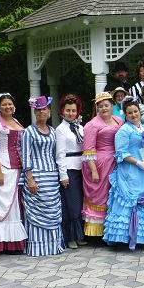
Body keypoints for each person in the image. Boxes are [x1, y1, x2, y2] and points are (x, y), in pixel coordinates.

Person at [21, 96, 68, 256]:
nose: (42, 112)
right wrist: (30, 179)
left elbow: (56, 154)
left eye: (45, 109)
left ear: (49, 112)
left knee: (53, 209)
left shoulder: (53, 131)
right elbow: (25, 156)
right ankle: (37, 247)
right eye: (39, 110)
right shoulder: (28, 132)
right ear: (35, 112)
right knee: (37, 210)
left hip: (51, 175)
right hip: (36, 175)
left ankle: (53, 245)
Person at [104, 97, 144, 249]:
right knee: (129, 200)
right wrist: (137, 162)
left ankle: (141, 237)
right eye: (130, 113)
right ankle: (124, 237)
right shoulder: (124, 130)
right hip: (130, 170)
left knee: (142, 200)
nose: (133, 115)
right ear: (125, 114)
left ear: (140, 112)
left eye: (135, 111)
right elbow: (121, 153)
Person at [0, 93, 28, 254]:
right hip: (1, 168)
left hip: (16, 169)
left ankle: (12, 242)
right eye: (4, 104)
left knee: (14, 206)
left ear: (14, 106)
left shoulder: (16, 122)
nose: (8, 107)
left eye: (10, 104)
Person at [81, 92, 124, 237]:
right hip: (100, 165)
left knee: (113, 194)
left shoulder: (119, 121)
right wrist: (94, 171)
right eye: (100, 106)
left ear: (112, 106)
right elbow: (88, 149)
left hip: (116, 162)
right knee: (101, 196)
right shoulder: (92, 125)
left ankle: (113, 228)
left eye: (106, 105)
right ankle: (97, 232)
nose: (104, 108)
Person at [56, 94, 87, 249]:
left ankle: (79, 235)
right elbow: (60, 153)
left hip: (82, 167)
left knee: (79, 202)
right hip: (69, 169)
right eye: (68, 110)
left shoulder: (80, 127)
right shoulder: (60, 129)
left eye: (73, 110)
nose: (71, 113)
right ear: (62, 111)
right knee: (71, 203)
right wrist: (63, 175)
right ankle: (70, 237)